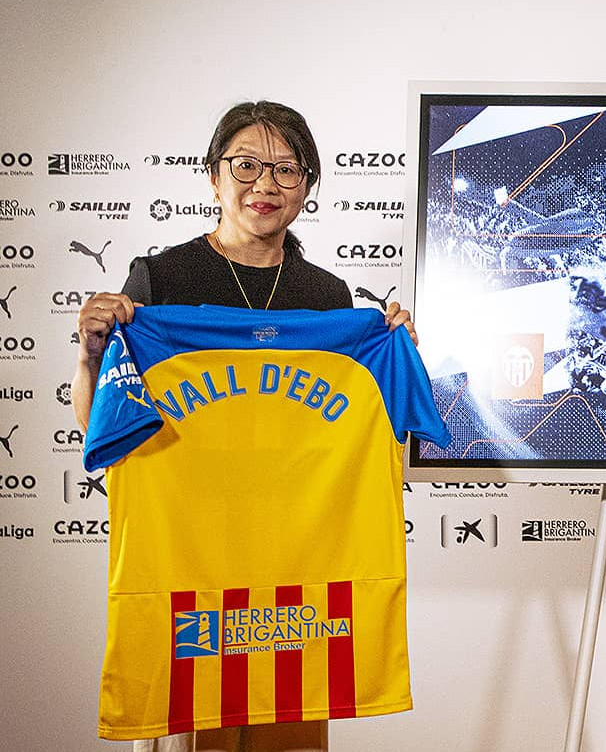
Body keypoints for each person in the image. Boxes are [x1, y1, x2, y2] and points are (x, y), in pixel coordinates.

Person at [73, 100, 417, 752]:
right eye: (247, 165)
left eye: (287, 169)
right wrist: (93, 354)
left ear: (307, 186)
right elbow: (100, 428)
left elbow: (366, 435)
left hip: (297, 570)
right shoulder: (160, 281)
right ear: (214, 176)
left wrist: (392, 354)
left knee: (294, 727)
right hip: (191, 566)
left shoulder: (328, 298)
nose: (266, 184)